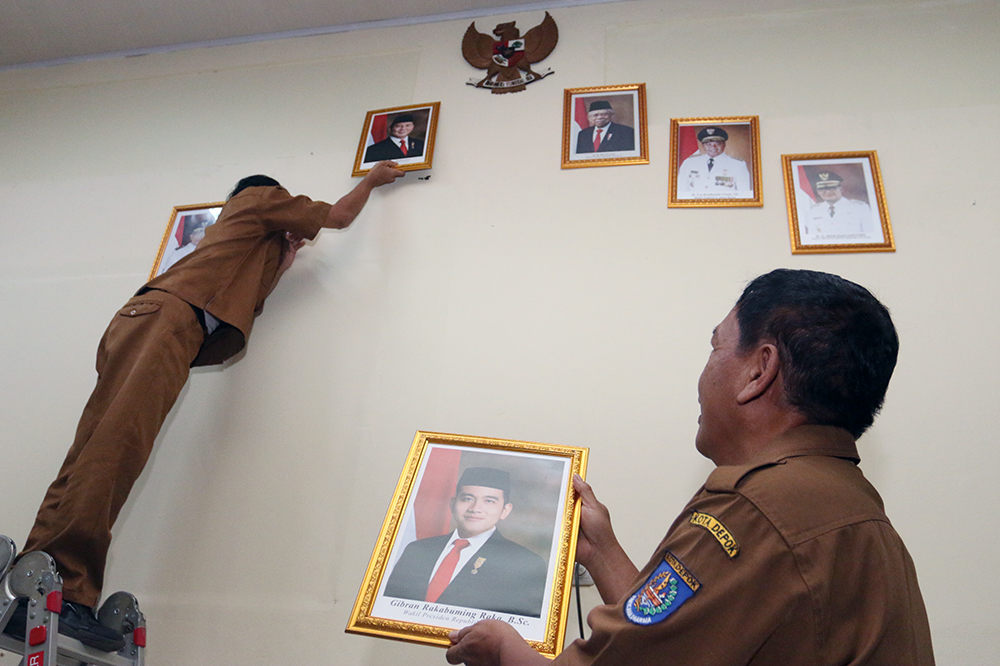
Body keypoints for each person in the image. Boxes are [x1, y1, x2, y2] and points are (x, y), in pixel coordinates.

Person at [6, 161, 405, 652]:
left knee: (91, 453)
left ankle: (28, 588)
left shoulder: (234, 245)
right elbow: (340, 217)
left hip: (148, 320)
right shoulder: (259, 200)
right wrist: (371, 181)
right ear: (266, 196)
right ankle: (66, 588)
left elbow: (250, 296)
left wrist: (280, 260)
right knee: (117, 450)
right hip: (166, 322)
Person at [447, 269, 935, 666]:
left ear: (758, 371)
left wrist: (503, 649)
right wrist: (601, 551)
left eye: (716, 346)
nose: (705, 371)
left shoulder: (756, 510)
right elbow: (674, 638)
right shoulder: (840, 501)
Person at [384, 467, 547, 618]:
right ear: (453, 503)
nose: (475, 508)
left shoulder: (524, 563)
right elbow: (389, 607)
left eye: (489, 501)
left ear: (505, 510)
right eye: (468, 498)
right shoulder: (417, 550)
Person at [676, 126, 751, 197]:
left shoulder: (738, 165)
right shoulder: (689, 163)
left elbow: (744, 194)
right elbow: (681, 192)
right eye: (708, 144)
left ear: (724, 144)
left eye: (717, 144)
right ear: (703, 145)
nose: (713, 147)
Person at [800, 171, 875, 240]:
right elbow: (812, 238)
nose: (828, 192)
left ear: (841, 189)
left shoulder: (860, 208)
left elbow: (870, 235)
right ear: (818, 192)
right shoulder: (813, 211)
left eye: (832, 188)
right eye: (822, 189)